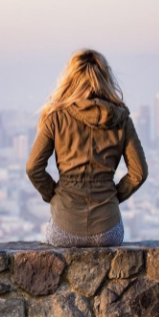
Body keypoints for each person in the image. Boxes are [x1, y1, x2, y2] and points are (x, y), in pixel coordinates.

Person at [26, 49, 148, 247]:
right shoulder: (122, 119)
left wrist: (54, 195)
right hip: (108, 230)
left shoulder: (56, 118)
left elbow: (33, 168)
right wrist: (113, 197)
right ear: (106, 78)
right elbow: (139, 173)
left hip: (64, 228)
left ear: (70, 79)